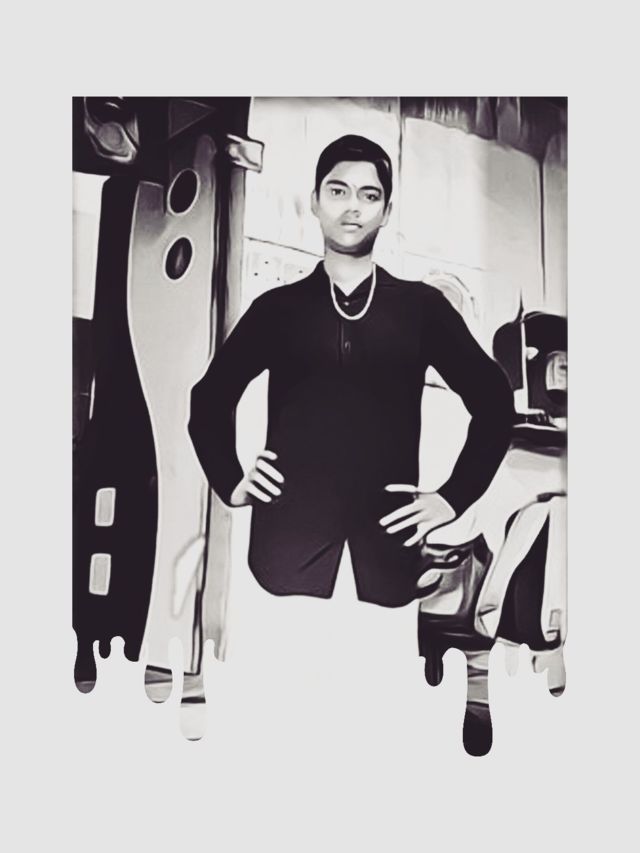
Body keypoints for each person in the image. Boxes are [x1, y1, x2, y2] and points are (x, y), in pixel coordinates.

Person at [188, 134, 515, 607]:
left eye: (369, 195)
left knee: (377, 649)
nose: (353, 207)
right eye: (338, 191)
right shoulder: (277, 309)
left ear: (386, 211)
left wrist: (453, 497)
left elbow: (495, 403)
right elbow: (209, 398)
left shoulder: (422, 309)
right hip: (284, 552)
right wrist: (231, 480)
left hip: (386, 557)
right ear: (315, 202)